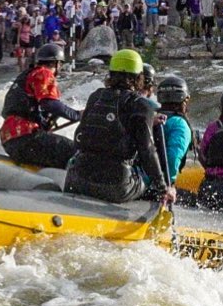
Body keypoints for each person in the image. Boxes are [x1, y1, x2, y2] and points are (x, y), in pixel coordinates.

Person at [65, 49, 170, 205]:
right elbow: (147, 151)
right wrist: (163, 188)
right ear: (139, 77)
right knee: (149, 186)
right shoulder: (143, 106)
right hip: (116, 186)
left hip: (77, 180)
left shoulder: (95, 96)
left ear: (111, 74)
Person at [0, 43, 81, 169]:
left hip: (10, 140)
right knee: (77, 153)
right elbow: (50, 104)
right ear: (57, 64)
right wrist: (76, 114)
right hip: (27, 138)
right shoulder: (44, 73)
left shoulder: (26, 75)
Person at [154, 74, 194, 201]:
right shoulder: (180, 124)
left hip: (139, 177)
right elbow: (171, 158)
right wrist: (168, 187)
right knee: (194, 200)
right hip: (156, 185)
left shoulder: (151, 116)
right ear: (183, 100)